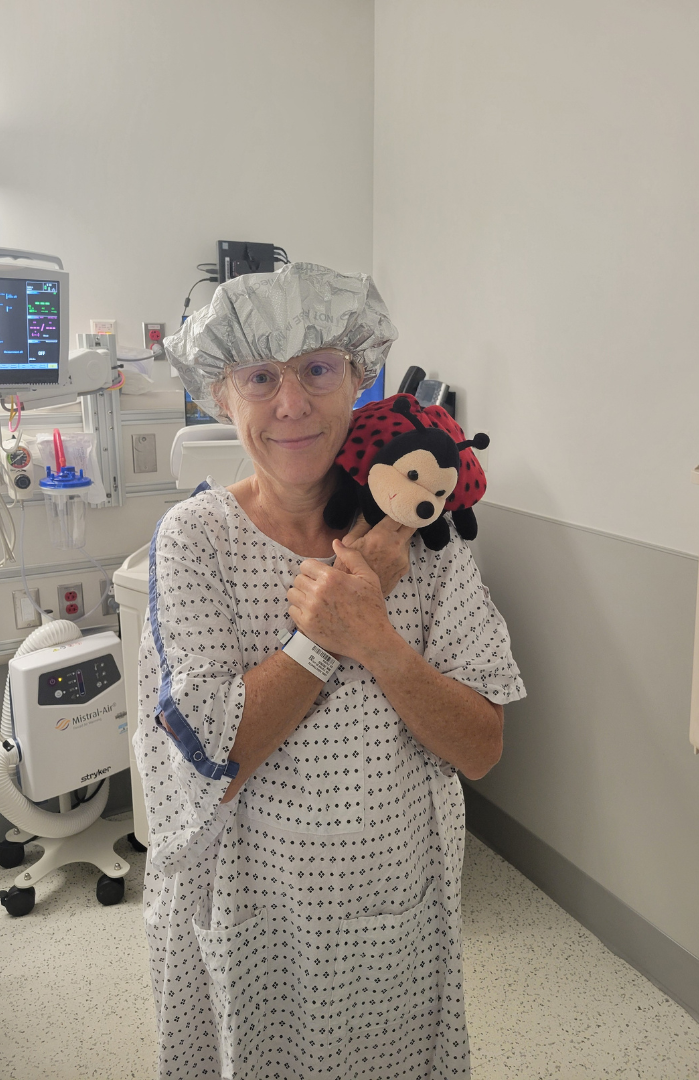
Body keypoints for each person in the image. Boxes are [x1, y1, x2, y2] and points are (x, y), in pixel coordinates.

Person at [139, 263, 525, 1079]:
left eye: (316, 368)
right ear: (220, 396)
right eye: (259, 377)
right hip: (254, 908)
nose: (290, 403)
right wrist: (321, 639)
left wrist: (376, 637)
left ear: (357, 375)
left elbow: (483, 747)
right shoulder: (193, 541)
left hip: (392, 900)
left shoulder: (425, 539)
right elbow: (213, 756)